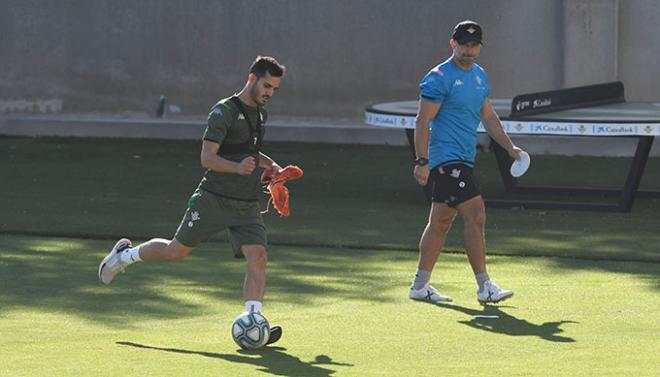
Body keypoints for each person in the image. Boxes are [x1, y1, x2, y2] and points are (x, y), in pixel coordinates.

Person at [99, 55, 286, 344]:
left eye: (274, 89)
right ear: (251, 78)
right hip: (213, 199)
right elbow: (207, 158)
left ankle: (254, 321)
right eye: (266, 86)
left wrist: (271, 166)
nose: (269, 93)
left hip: (246, 202)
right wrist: (237, 168)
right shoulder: (223, 111)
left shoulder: (261, 114)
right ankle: (123, 256)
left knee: (258, 257)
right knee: (176, 251)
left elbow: (249, 152)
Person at [409, 21, 523, 305]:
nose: (468, 51)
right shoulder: (439, 77)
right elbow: (422, 121)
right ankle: (485, 286)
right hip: (446, 160)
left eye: (474, 45)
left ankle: (419, 287)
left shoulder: (480, 77)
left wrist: (509, 147)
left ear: (480, 47)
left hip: (463, 159)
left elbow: (489, 117)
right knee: (476, 214)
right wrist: (422, 161)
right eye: (463, 45)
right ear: (453, 44)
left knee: (440, 222)